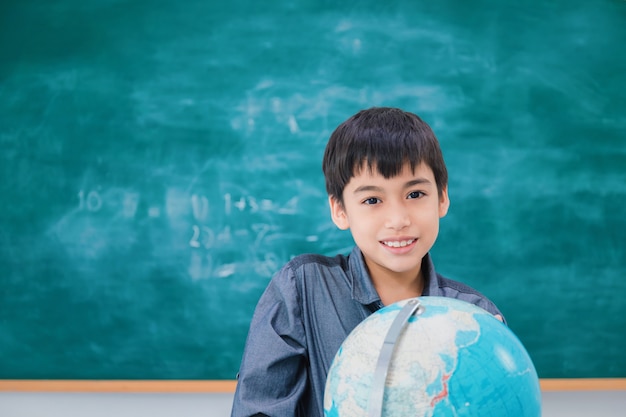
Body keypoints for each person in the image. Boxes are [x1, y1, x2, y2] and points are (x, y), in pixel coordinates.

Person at [230, 107, 505, 417]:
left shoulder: (475, 319)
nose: (398, 220)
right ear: (340, 211)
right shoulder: (301, 289)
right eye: (372, 200)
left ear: (442, 197)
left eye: (415, 194)